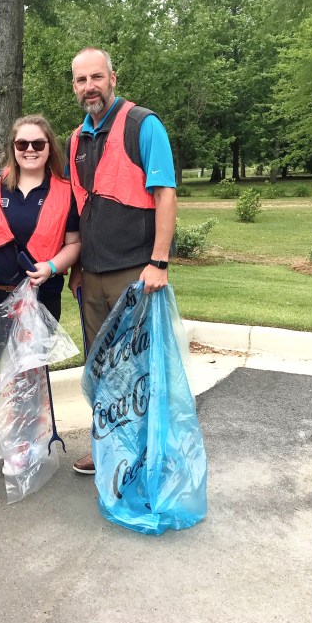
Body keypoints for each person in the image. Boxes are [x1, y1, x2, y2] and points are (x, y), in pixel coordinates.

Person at [66, 47, 177, 475]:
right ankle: (106, 449)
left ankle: (144, 455)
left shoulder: (143, 125)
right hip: (92, 274)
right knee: (100, 366)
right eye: (81, 80)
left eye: (97, 77)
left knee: (138, 367)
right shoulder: (76, 139)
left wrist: (159, 262)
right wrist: (78, 266)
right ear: (74, 86)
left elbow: (165, 194)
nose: (89, 87)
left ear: (113, 78)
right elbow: (81, 207)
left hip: (136, 270)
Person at [0, 114, 82, 474]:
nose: (30, 150)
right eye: (22, 143)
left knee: (28, 375)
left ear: (49, 147)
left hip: (38, 298)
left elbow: (74, 243)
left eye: (38, 143)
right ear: (12, 147)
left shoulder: (65, 191)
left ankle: (23, 444)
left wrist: (52, 266)